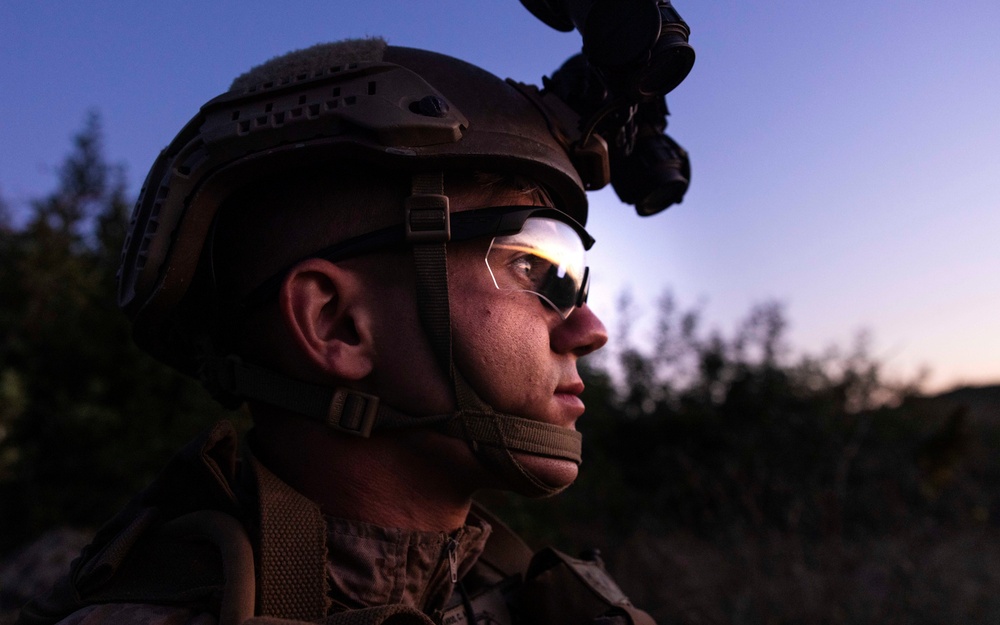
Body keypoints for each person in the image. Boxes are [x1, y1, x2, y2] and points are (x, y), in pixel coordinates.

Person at [18, 37, 660, 625]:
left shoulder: (523, 601)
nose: (590, 328)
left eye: (575, 276)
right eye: (532, 266)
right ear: (336, 324)